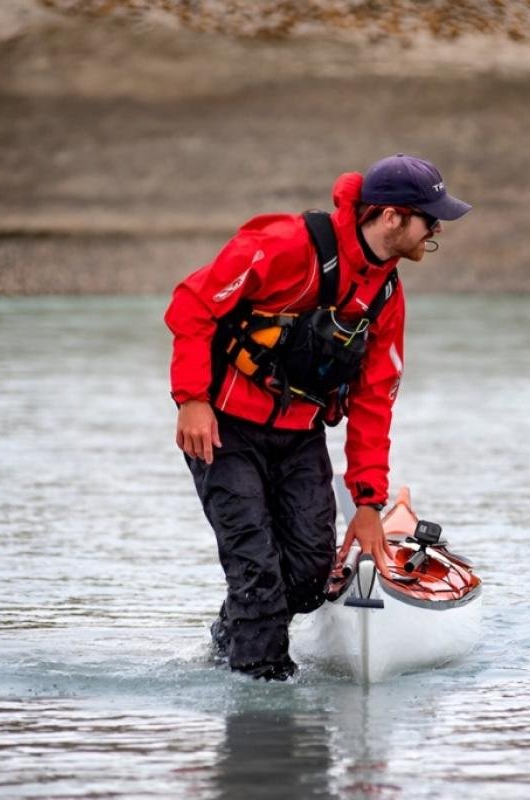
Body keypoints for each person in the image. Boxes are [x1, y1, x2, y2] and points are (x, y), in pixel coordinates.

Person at [164, 154, 471, 680]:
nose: (437, 229)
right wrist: (191, 398)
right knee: (256, 572)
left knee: (309, 577)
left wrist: (369, 503)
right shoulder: (285, 244)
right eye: (430, 219)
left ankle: (229, 637)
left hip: (300, 436)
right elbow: (193, 304)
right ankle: (263, 698)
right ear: (392, 217)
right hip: (223, 431)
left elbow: (375, 402)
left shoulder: (388, 296)